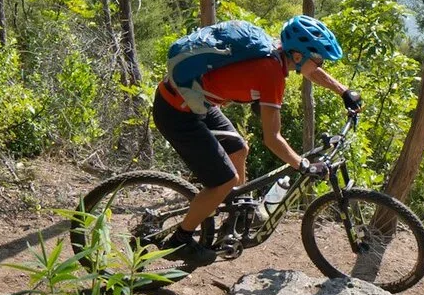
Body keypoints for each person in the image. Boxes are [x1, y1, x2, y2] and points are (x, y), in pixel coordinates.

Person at [152, 15, 361, 265]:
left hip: (195, 103)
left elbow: (311, 72)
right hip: (177, 112)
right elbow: (272, 139)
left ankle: (234, 214)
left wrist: (343, 92)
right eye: (317, 58)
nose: (320, 64)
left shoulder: (274, 51)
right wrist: (304, 165)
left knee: (239, 149)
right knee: (224, 180)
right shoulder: (270, 73)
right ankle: (180, 240)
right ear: (297, 56)